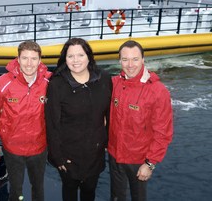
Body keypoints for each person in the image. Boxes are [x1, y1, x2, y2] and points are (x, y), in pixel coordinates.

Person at [45, 38, 112, 201]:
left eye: (80, 55)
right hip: (68, 153)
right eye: (70, 56)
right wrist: (58, 156)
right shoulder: (57, 85)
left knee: (90, 189)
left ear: (89, 56)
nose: (76, 61)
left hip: (95, 152)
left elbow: (110, 115)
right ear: (64, 59)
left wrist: (107, 142)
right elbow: (52, 123)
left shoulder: (104, 79)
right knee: (69, 189)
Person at [0, 40, 52, 201]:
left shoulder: (51, 82)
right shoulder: (2, 83)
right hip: (12, 148)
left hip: (39, 147)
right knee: (16, 190)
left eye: (34, 58)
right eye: (25, 58)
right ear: (18, 59)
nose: (29, 64)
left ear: (40, 60)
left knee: (38, 187)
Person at [108, 40, 174, 201]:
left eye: (135, 59)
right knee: (116, 197)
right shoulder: (114, 84)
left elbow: (163, 133)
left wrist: (150, 163)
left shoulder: (158, 92)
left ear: (143, 60)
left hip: (139, 160)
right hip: (114, 155)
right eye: (125, 59)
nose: (130, 65)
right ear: (119, 61)